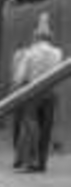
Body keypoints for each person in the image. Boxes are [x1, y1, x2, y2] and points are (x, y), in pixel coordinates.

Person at [14, 12, 64, 173]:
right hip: (50, 92)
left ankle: (31, 160)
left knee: (31, 125)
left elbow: (20, 77)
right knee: (46, 127)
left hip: (33, 92)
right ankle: (42, 163)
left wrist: (19, 86)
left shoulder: (30, 53)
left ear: (36, 37)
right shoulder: (58, 53)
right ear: (49, 37)